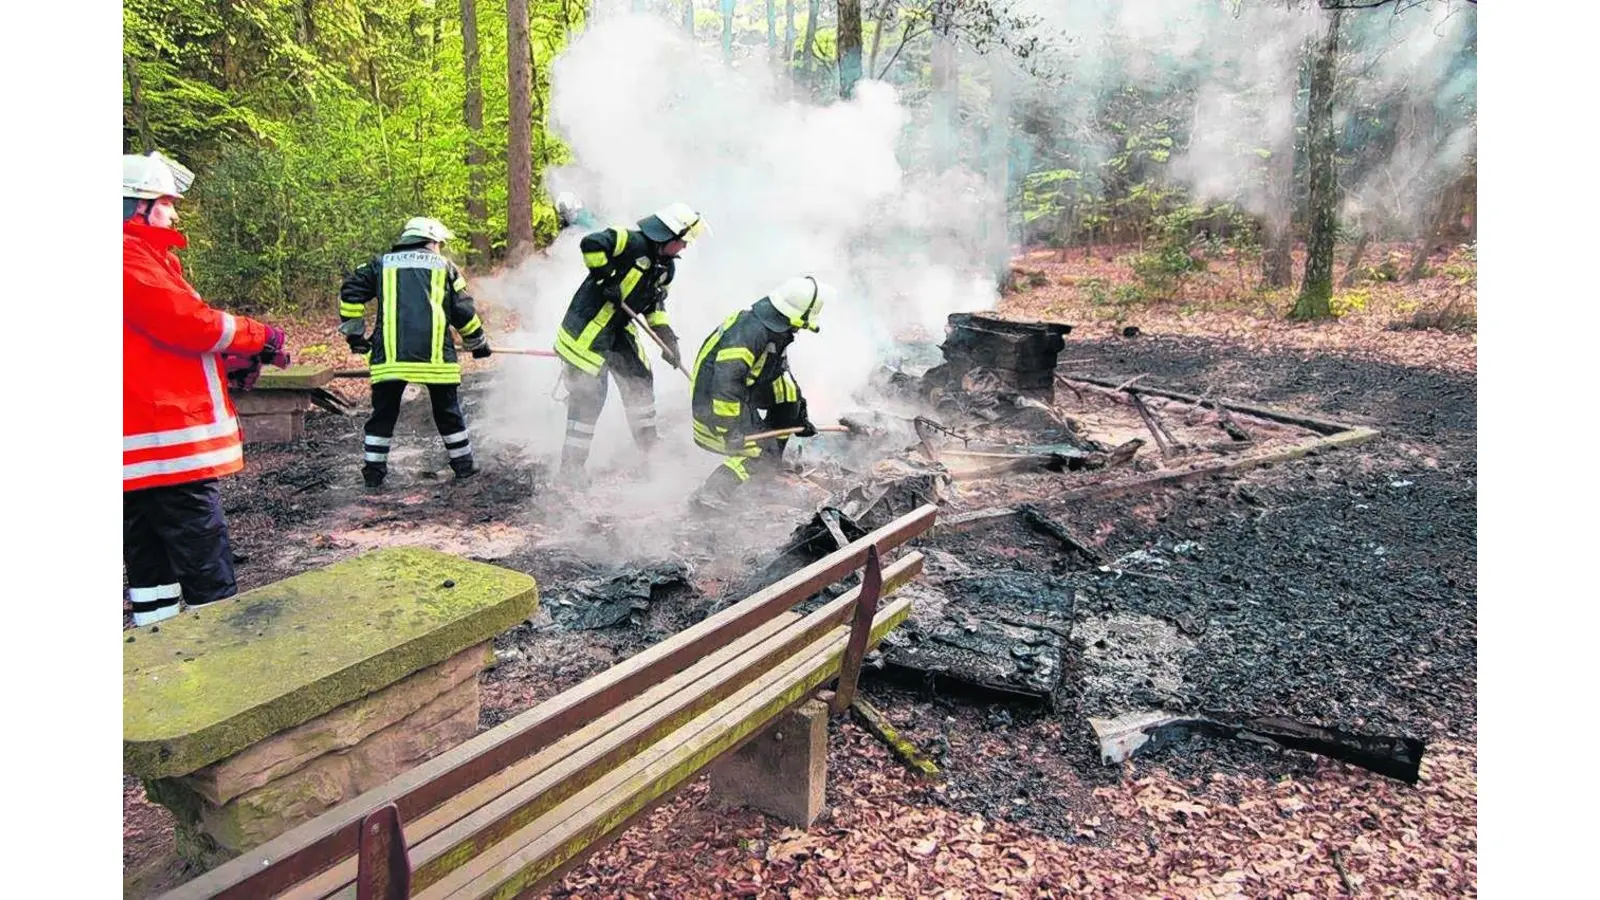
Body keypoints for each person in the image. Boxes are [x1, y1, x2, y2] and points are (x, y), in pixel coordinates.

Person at [123, 151, 291, 626]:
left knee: (150, 555)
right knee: (203, 555)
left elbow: (151, 347)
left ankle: (156, 646)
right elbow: (187, 324)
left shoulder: (140, 256)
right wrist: (261, 336)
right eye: (165, 203)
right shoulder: (125, 256)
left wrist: (232, 361)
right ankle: (220, 656)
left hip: (144, 442)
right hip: (163, 440)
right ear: (135, 207)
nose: (173, 213)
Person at [552, 202, 708, 481]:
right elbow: (592, 244)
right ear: (669, 236)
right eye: (682, 242)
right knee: (589, 399)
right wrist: (606, 278)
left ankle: (650, 453)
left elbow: (655, 307)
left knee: (640, 379)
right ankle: (571, 471)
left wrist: (668, 339)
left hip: (618, 331)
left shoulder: (666, 269)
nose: (684, 248)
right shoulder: (631, 241)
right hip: (584, 333)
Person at [338, 217, 491, 488]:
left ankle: (373, 474)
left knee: (383, 415)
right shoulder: (445, 267)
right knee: (448, 413)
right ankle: (464, 468)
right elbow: (463, 311)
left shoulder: (380, 264)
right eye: (439, 244)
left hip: (390, 361)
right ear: (431, 241)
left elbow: (350, 293)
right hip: (436, 361)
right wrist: (477, 342)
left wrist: (355, 335)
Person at [688, 275, 833, 509]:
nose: (800, 329)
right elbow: (725, 384)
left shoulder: (773, 330)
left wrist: (799, 416)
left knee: (788, 394)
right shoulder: (750, 335)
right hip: (714, 409)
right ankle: (711, 493)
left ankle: (769, 464)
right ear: (795, 315)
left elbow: (781, 372)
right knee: (756, 453)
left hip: (738, 395)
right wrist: (730, 429)